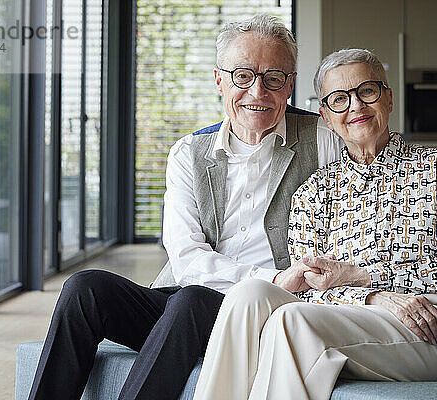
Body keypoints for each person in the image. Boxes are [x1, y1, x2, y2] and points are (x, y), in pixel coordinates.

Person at [27, 14, 343, 400]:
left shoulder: (325, 142)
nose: (258, 92)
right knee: (85, 287)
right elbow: (185, 257)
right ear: (219, 80)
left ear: (290, 84)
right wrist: (271, 275)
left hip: (268, 314)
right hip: (186, 307)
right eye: (243, 76)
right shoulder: (188, 152)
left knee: (192, 300)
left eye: (274, 77)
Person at [193, 49, 437, 400]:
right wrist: (375, 296)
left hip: (435, 325)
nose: (356, 106)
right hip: (347, 319)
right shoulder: (314, 192)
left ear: (388, 98)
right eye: (339, 99)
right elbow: (309, 288)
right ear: (326, 117)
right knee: (249, 293)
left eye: (367, 91)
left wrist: (361, 277)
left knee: (292, 322)